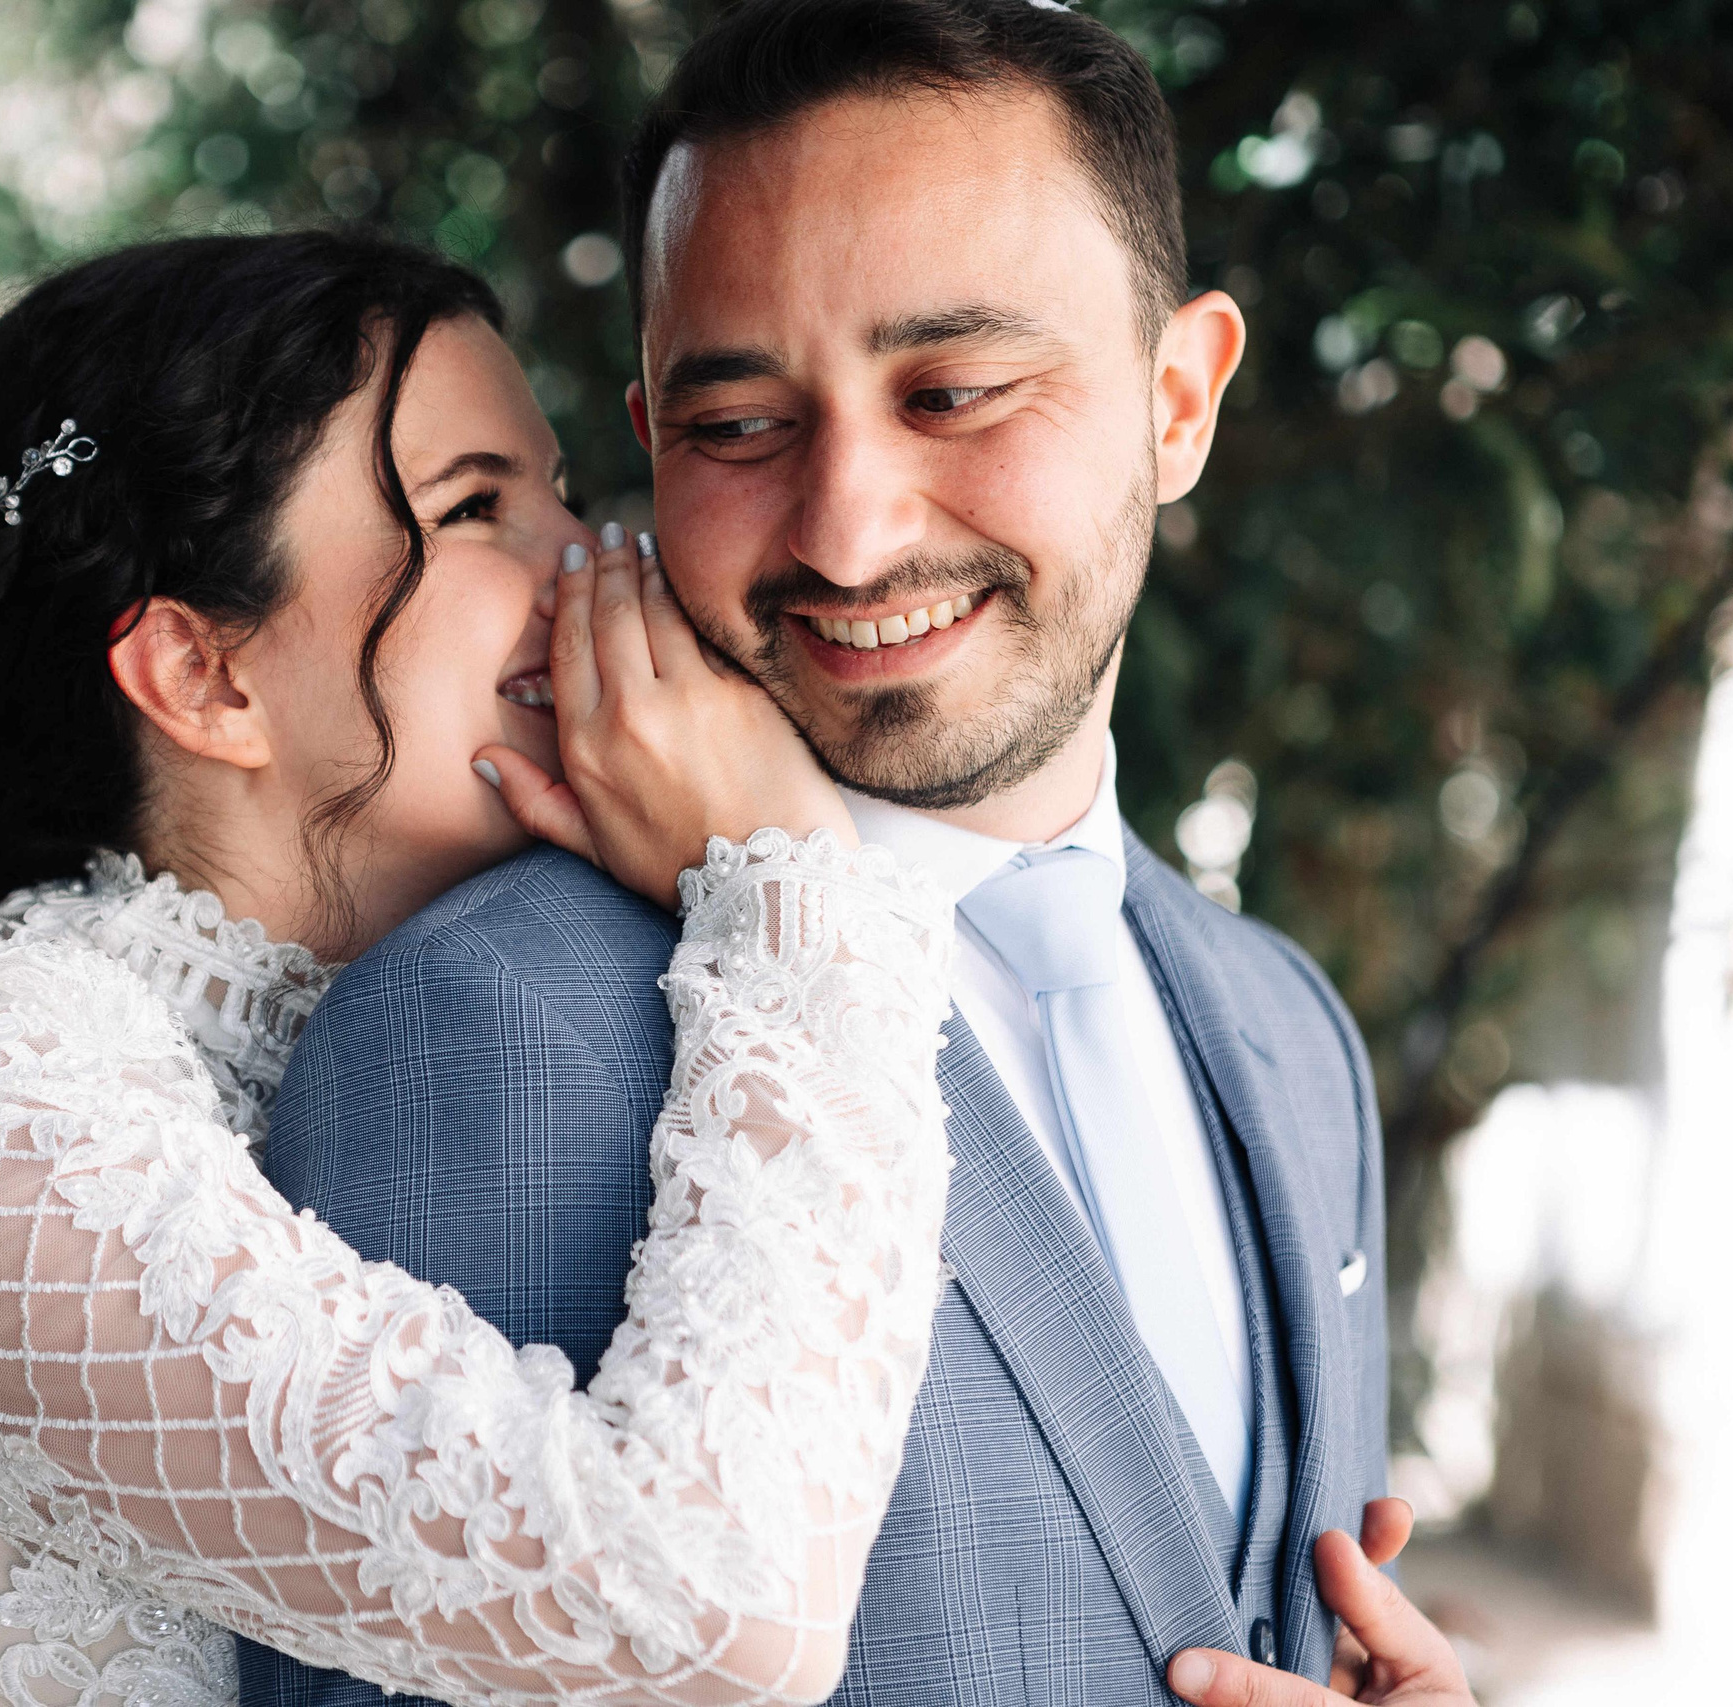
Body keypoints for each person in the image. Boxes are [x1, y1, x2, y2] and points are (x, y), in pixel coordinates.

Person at [243, 3, 1476, 1705]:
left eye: (953, 391)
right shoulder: (491, 1032)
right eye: (740, 426)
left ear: (1178, 399)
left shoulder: (1289, 1032)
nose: (848, 528)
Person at [0, 226, 965, 1707]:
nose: (600, 564)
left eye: (563, 490)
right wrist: (796, 885)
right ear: (203, 678)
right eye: (476, 508)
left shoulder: (558, 1007)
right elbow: (706, 1607)